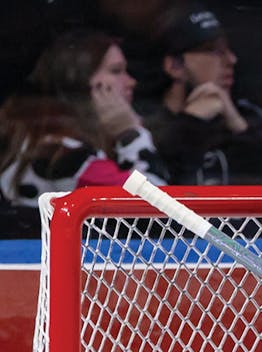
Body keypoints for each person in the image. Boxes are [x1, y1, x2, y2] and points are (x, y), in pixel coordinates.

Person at [0, 29, 167, 235]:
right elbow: (158, 207)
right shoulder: (62, 153)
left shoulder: (51, 142)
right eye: (116, 71)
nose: (131, 82)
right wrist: (130, 132)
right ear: (82, 83)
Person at [144, 4, 262, 184]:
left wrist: (237, 124)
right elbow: (157, 185)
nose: (231, 59)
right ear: (175, 66)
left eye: (228, 50)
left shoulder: (251, 118)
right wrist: (191, 122)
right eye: (215, 51)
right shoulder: (146, 127)